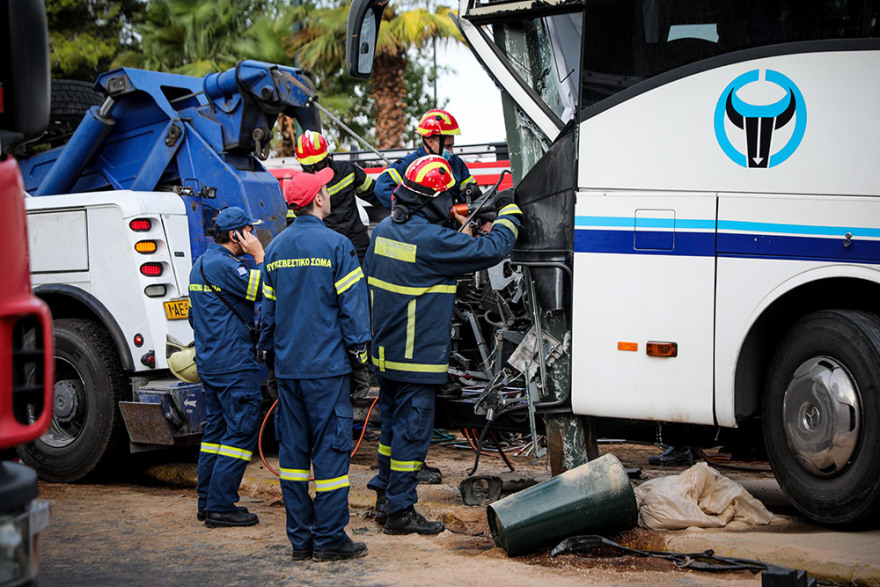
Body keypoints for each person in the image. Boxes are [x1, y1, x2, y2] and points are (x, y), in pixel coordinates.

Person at [363, 155, 523, 535]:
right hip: (417, 355)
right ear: (433, 200)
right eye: (447, 199)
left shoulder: (385, 230)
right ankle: (401, 512)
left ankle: (386, 499)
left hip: (386, 352)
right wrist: (508, 211)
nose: (452, 205)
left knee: (391, 432)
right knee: (413, 433)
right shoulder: (433, 240)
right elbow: (492, 250)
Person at [260, 167, 372, 561]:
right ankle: (328, 539)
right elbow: (353, 311)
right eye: (324, 189)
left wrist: (270, 362)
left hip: (289, 370)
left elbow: (266, 314)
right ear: (319, 200)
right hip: (327, 371)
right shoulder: (338, 246)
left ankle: (301, 540)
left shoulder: (273, 250)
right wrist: (361, 362)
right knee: (330, 456)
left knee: (292, 458)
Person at [189, 207, 265, 528]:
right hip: (233, 363)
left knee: (216, 433)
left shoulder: (201, 264)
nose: (254, 237)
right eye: (250, 231)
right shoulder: (224, 265)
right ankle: (221, 505)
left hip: (211, 362)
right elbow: (264, 290)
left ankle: (207, 502)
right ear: (236, 235)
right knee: (242, 428)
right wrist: (260, 256)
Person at [294, 130, 384, 400]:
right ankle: (363, 368)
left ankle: (359, 368)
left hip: (339, 253)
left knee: (348, 310)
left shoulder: (314, 181)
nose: (314, 169)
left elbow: (377, 194)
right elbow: (377, 195)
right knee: (358, 310)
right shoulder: (345, 170)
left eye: (315, 164)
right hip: (346, 252)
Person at [373, 109, 480, 210]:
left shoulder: (455, 163)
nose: (451, 152)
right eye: (447, 146)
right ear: (430, 141)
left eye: (452, 146)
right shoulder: (410, 164)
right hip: (421, 226)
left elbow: (467, 187)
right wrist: (407, 209)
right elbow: (382, 187)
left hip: (449, 225)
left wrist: (472, 191)